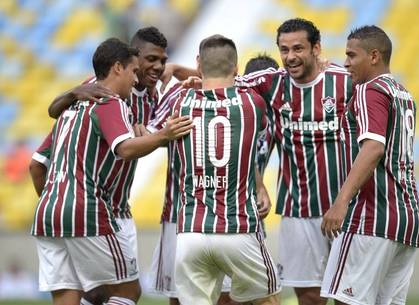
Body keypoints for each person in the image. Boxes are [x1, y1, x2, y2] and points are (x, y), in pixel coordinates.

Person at [160, 19, 352, 305]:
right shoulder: (271, 83)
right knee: (309, 296)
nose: (290, 56)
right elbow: (223, 78)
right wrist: (190, 75)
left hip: (345, 207)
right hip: (297, 209)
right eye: (284, 50)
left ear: (316, 48)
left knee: (349, 296)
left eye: (298, 48)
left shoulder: (344, 81)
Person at [29, 37, 192, 305]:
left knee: (67, 293)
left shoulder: (74, 104)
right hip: (88, 208)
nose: (136, 78)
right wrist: (165, 134)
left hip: (48, 210)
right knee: (127, 291)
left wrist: (57, 203)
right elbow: (125, 149)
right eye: (133, 71)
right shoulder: (111, 101)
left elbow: (35, 165)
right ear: (118, 68)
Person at [169, 34, 280, 305]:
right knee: (268, 299)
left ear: (198, 63)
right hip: (237, 227)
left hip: (191, 231)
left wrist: (197, 79)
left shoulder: (180, 104)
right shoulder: (252, 104)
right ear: (236, 67)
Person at [320, 25, 419, 305]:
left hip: (372, 216)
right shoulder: (402, 93)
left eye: (352, 55)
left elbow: (374, 147)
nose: (346, 62)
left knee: (346, 300)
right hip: (407, 219)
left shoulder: (369, 89)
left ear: (374, 56)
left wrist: (341, 202)